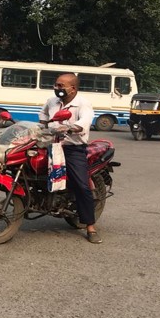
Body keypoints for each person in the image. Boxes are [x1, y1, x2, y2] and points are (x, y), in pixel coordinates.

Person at [39, 73, 101, 243]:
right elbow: (43, 115)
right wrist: (42, 126)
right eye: (56, 85)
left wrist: (70, 128)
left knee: (82, 185)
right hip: (51, 144)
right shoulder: (52, 101)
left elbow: (85, 122)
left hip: (73, 148)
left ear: (72, 88)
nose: (57, 88)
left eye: (61, 86)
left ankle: (90, 226)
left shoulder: (82, 104)